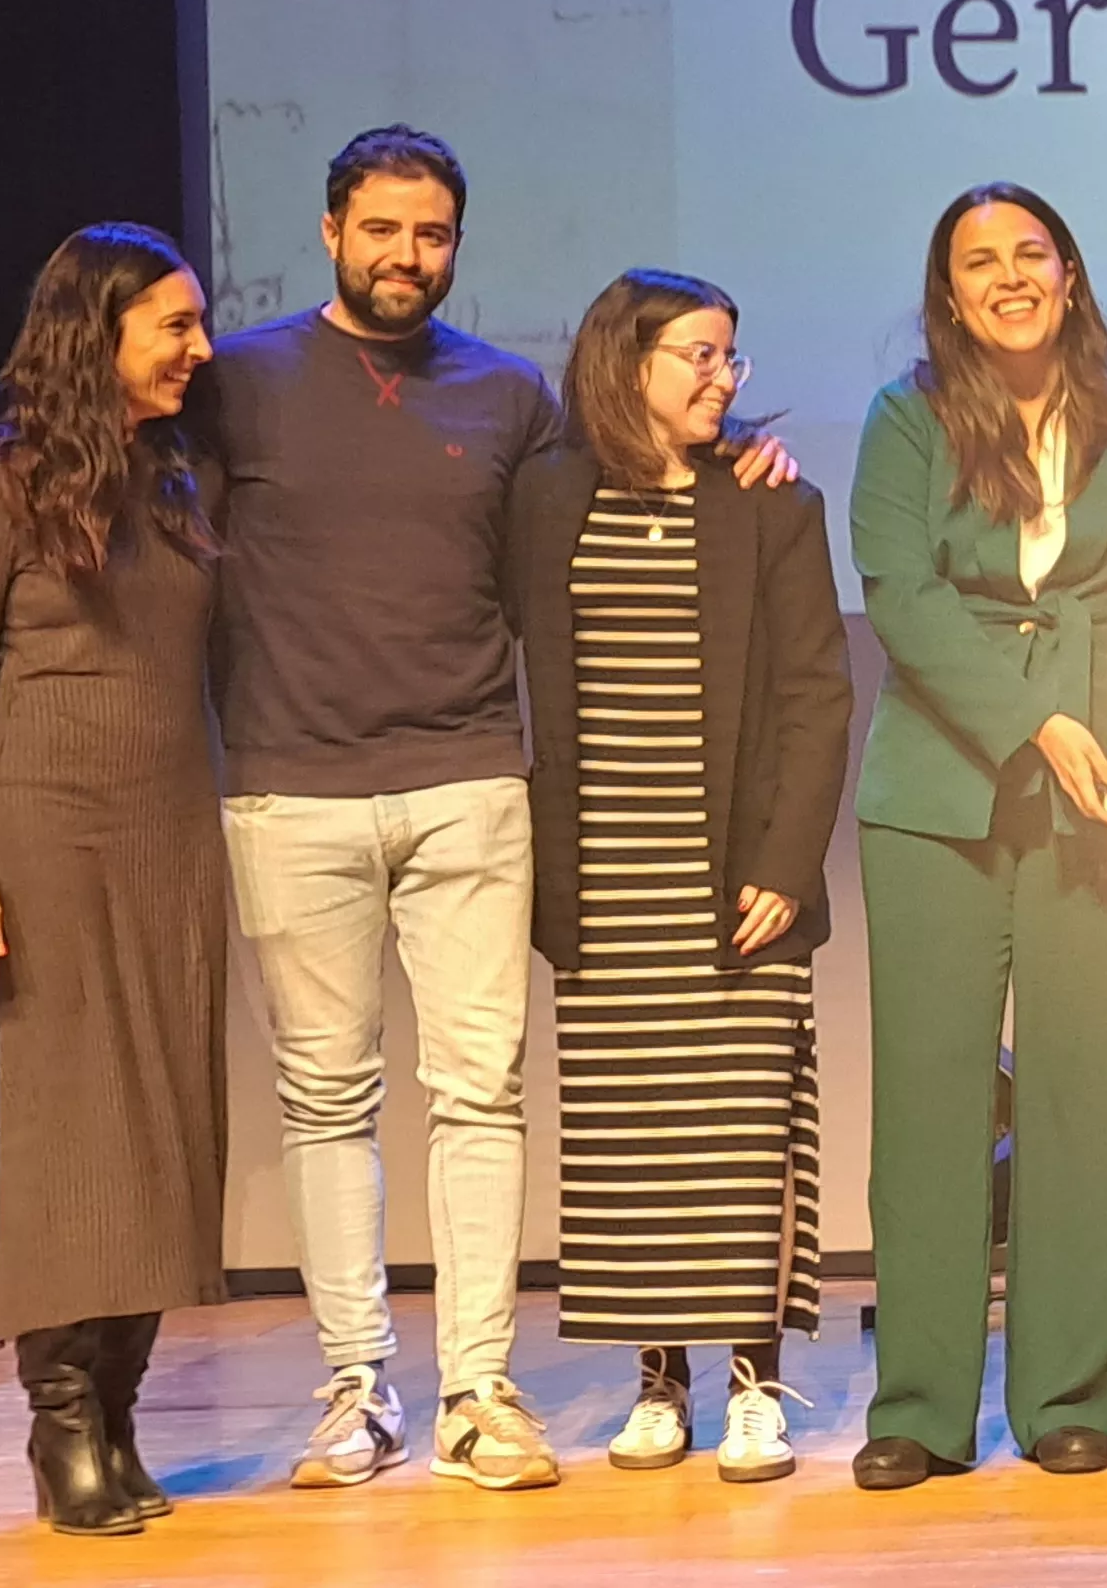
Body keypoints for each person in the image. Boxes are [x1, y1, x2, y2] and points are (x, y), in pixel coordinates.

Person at [189, 125, 794, 1493]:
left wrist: (747, 447)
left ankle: (477, 1393)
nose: (409, 257)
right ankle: (356, 1389)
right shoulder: (241, 384)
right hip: (292, 789)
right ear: (332, 229)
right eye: (383, 230)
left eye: (434, 234)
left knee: (476, 1097)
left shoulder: (509, 397)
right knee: (325, 1098)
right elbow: (123, 458)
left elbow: (638, 453)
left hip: (469, 781)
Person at [848, 180, 1107, 1490]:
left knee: (1089, 1094)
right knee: (933, 1100)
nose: (1006, 276)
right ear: (948, 293)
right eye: (976, 261)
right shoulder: (906, 418)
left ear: (1067, 271)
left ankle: (1068, 1394)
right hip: (936, 794)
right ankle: (922, 1408)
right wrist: (1035, 723)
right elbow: (899, 594)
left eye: (1027, 253)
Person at [504, 269, 854, 1484]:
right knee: (630, 1136)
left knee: (745, 1132)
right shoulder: (549, 497)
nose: (719, 380)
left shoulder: (769, 503)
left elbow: (817, 692)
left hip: (734, 867)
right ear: (626, 361)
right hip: (607, 863)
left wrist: (783, 857)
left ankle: (756, 1382)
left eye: (728, 361)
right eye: (696, 357)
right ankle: (659, 1381)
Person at [0, 224, 228, 1536]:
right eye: (174, 326)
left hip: (171, 831)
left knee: (164, 1125)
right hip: (48, 831)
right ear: (96, 332)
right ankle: (61, 1423)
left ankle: (122, 1407)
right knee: (65, 1128)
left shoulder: (175, 478)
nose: (199, 350)